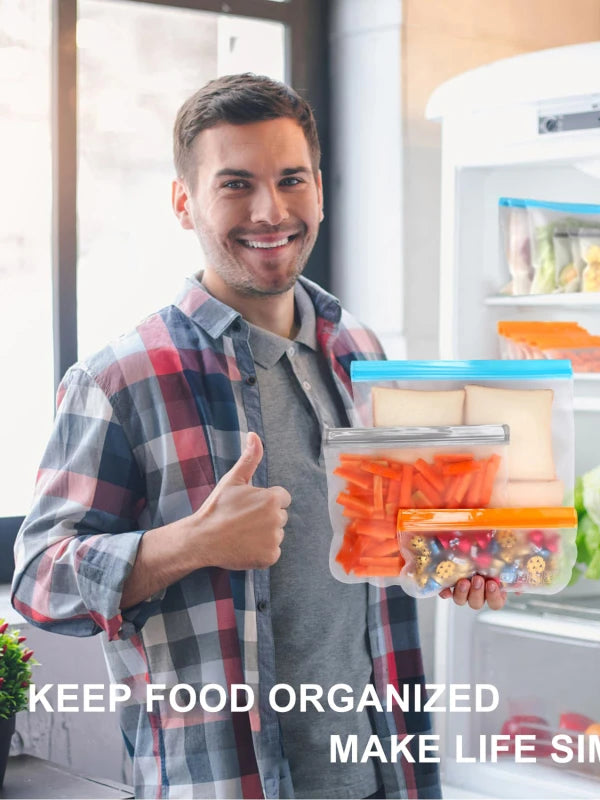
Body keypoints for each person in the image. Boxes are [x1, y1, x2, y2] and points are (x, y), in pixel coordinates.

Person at [11, 73, 506, 799]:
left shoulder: (359, 350)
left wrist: (449, 552)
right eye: (235, 184)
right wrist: (193, 542)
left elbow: (380, 541)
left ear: (320, 191)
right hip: (224, 783)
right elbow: (36, 580)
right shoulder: (122, 378)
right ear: (185, 203)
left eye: (291, 180)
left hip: (382, 774)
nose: (271, 211)